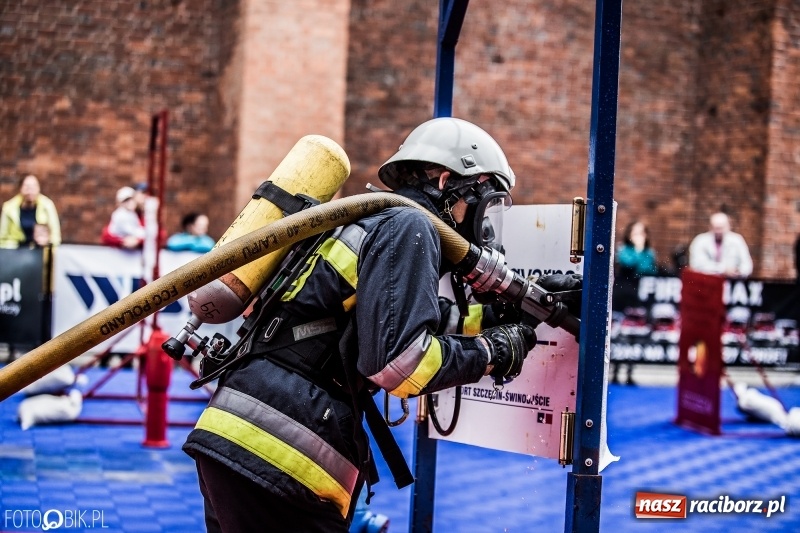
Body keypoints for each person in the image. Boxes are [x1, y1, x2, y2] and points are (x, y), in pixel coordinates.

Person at [182, 117, 581, 532]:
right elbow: (401, 364)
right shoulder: (410, 226)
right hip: (280, 455)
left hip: (235, 434)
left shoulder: (370, 220)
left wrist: (505, 314)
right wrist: (493, 352)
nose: (485, 224)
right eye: (487, 203)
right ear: (447, 182)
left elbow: (392, 321)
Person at [612, 220, 657, 385]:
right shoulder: (623, 250)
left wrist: (641, 252)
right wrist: (638, 251)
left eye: (641, 233)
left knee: (634, 335)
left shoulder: (649, 253)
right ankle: (615, 370)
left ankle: (630, 372)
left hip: (638, 299)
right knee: (620, 335)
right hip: (621, 298)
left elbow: (649, 270)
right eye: (635, 233)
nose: (639, 237)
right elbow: (628, 264)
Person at [0, 174, 61, 249]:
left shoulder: (47, 205)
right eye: (27, 187)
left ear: (39, 188)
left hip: (40, 250)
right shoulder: (9, 208)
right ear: (20, 188)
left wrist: (48, 245)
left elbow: (55, 235)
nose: (30, 191)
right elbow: (2, 238)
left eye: (34, 187)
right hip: (16, 250)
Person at [689, 212, 753, 278]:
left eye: (721, 228)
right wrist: (723, 270)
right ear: (710, 227)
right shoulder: (700, 241)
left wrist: (738, 272)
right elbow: (697, 265)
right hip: (706, 281)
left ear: (729, 226)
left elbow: (747, 265)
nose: (718, 231)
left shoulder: (737, 240)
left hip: (732, 281)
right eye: (716, 228)